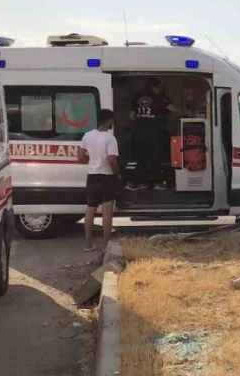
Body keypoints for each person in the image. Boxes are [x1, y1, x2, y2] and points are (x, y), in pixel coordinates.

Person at [77, 109, 120, 252]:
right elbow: (112, 159)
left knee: (90, 209)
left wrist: (93, 161)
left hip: (92, 175)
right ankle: (106, 245)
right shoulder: (110, 138)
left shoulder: (87, 136)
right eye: (112, 120)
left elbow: (80, 156)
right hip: (107, 176)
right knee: (107, 211)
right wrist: (117, 173)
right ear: (109, 121)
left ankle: (88, 244)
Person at [126, 77, 180, 191]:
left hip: (138, 133)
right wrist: (186, 112)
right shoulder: (159, 98)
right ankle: (157, 182)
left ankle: (136, 183)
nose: (160, 89)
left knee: (141, 158)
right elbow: (174, 109)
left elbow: (131, 116)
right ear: (154, 87)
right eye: (159, 87)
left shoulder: (137, 97)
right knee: (157, 159)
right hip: (155, 134)